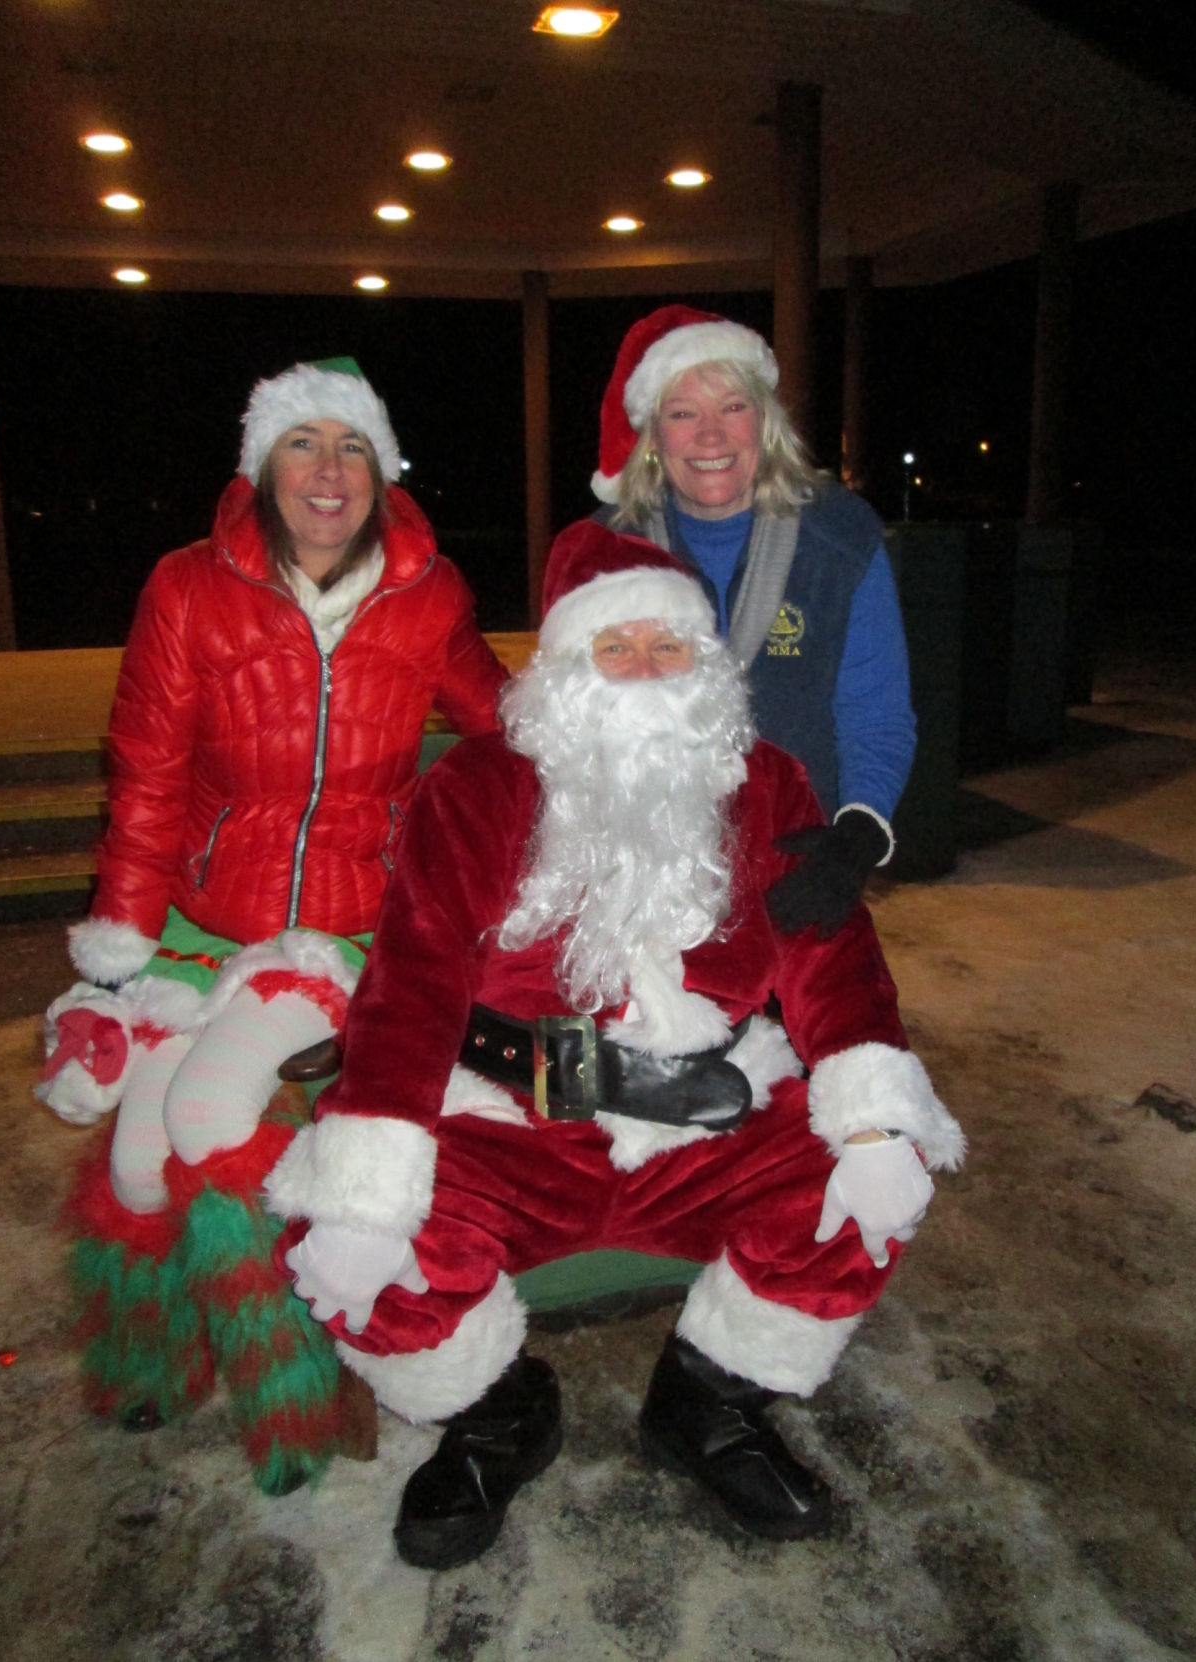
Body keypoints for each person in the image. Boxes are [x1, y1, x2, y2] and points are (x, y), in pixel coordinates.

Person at [269, 521, 964, 1568]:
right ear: (565, 664)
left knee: (861, 1192)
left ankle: (707, 1402)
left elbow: (832, 960)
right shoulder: (479, 787)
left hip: (708, 1120)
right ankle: (498, 1416)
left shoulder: (765, 782)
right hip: (511, 1122)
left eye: (667, 646)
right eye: (614, 646)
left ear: (702, 665)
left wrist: (871, 1123)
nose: (643, 669)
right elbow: (410, 984)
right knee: (360, 1243)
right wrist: (367, 1188)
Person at [36, 357, 507, 1493]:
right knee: (139, 1164)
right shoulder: (186, 588)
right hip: (203, 925)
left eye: (352, 447)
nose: (328, 470)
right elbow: (147, 777)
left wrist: (613, 726)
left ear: (383, 474)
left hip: (343, 931)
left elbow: (505, 724)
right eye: (303, 443)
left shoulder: (428, 592)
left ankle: (290, 1379)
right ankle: (158, 1351)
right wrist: (120, 946)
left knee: (205, 1112)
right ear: (261, 467)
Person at [552, 303, 918, 937]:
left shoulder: (840, 535)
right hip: (642, 866)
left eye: (732, 407)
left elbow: (876, 713)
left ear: (766, 420)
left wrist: (857, 836)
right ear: (653, 436)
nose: (711, 436)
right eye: (682, 413)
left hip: (803, 854)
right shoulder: (601, 550)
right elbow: (564, 721)